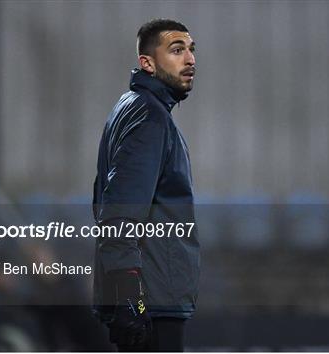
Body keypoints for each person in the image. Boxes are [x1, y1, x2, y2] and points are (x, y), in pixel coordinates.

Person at [92, 19, 200, 352]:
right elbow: (119, 209)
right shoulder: (149, 118)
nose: (190, 59)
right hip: (151, 302)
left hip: (148, 298)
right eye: (177, 50)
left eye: (191, 50)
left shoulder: (132, 108)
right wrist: (130, 295)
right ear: (147, 63)